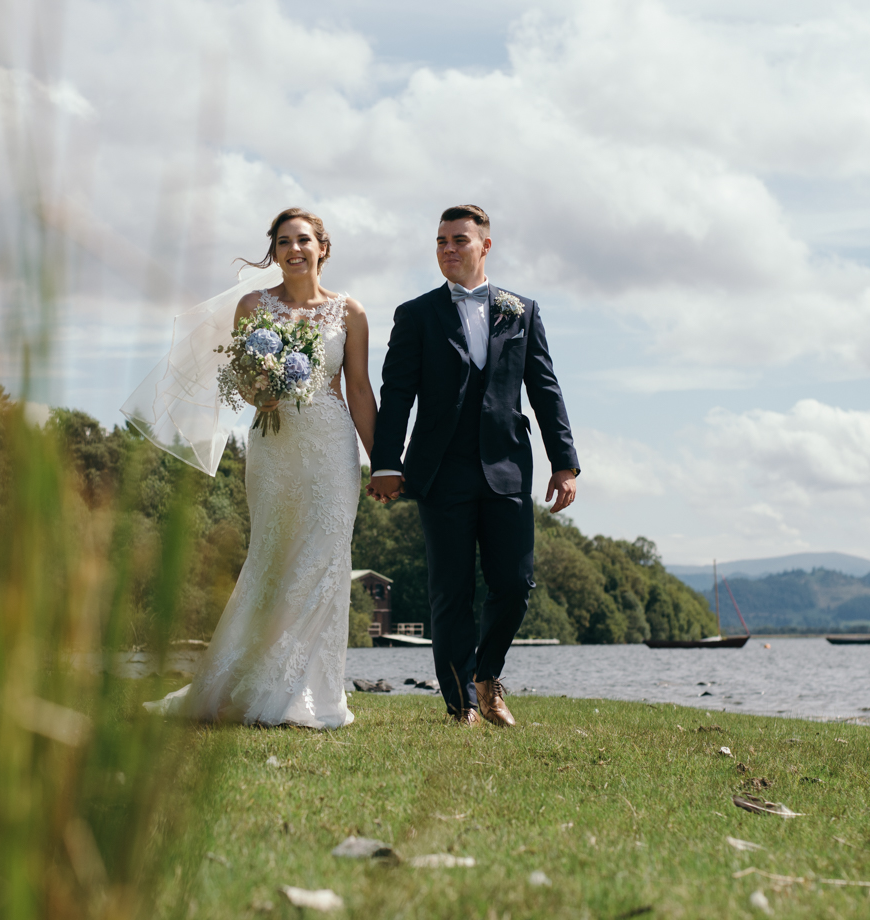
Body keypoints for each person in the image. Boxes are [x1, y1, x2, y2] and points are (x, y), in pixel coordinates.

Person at [141, 208, 375, 729]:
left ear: (323, 248)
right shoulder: (253, 306)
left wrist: (382, 463)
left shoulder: (350, 312)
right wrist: (259, 392)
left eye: (304, 240)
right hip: (273, 446)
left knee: (325, 558)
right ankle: (250, 682)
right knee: (272, 557)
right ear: (273, 251)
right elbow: (244, 381)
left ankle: (307, 695)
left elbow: (357, 389)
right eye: (284, 241)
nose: (295, 249)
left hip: (331, 446)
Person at [368, 205, 579, 727]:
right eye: (440, 241)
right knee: (451, 591)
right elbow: (396, 395)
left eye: (459, 239)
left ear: (486, 245)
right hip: (440, 470)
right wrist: (386, 464)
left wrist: (564, 463)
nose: (448, 249)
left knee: (515, 582)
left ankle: (487, 675)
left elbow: (544, 388)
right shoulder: (415, 314)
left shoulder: (521, 310)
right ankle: (462, 704)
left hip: (507, 467)